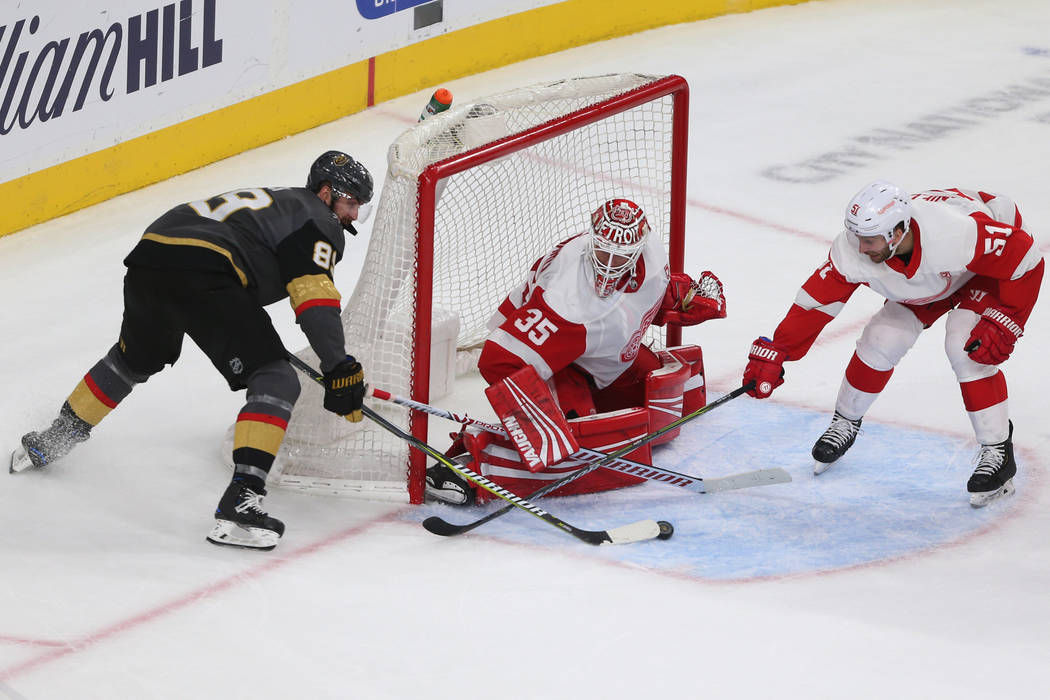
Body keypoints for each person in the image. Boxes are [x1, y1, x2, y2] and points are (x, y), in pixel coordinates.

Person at [10, 151, 374, 549]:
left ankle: (51, 441)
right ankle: (241, 505)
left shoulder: (280, 201)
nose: (353, 216)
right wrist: (338, 365)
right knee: (276, 379)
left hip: (152, 256)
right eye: (350, 203)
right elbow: (314, 299)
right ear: (325, 194)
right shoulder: (318, 220)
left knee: (135, 358)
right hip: (206, 269)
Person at [742, 181, 1044, 507]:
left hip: (979, 271)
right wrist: (778, 350)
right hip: (928, 280)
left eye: (868, 241)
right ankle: (844, 421)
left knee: (964, 347)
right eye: (857, 237)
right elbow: (815, 303)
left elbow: (1027, 258)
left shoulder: (955, 234)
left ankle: (997, 451)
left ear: (897, 233)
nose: (860, 248)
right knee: (881, 338)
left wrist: (1007, 318)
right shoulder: (856, 246)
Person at [425, 197, 727, 505]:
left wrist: (680, 297)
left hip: (606, 356)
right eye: (602, 251)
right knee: (581, 440)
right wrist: (542, 431)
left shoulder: (652, 255)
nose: (608, 265)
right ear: (591, 237)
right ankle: (471, 465)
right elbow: (498, 361)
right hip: (561, 360)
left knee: (666, 391)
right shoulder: (566, 301)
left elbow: (638, 300)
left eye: (620, 256)